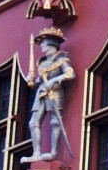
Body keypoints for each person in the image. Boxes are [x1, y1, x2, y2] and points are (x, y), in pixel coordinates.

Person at [22, 26, 75, 162]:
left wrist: (54, 80)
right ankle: (36, 153)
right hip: (41, 92)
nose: (41, 46)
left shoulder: (61, 60)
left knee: (55, 122)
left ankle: (53, 152)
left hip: (55, 91)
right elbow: (39, 81)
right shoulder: (42, 63)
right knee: (33, 123)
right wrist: (31, 81)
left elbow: (70, 74)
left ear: (51, 44)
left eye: (44, 43)